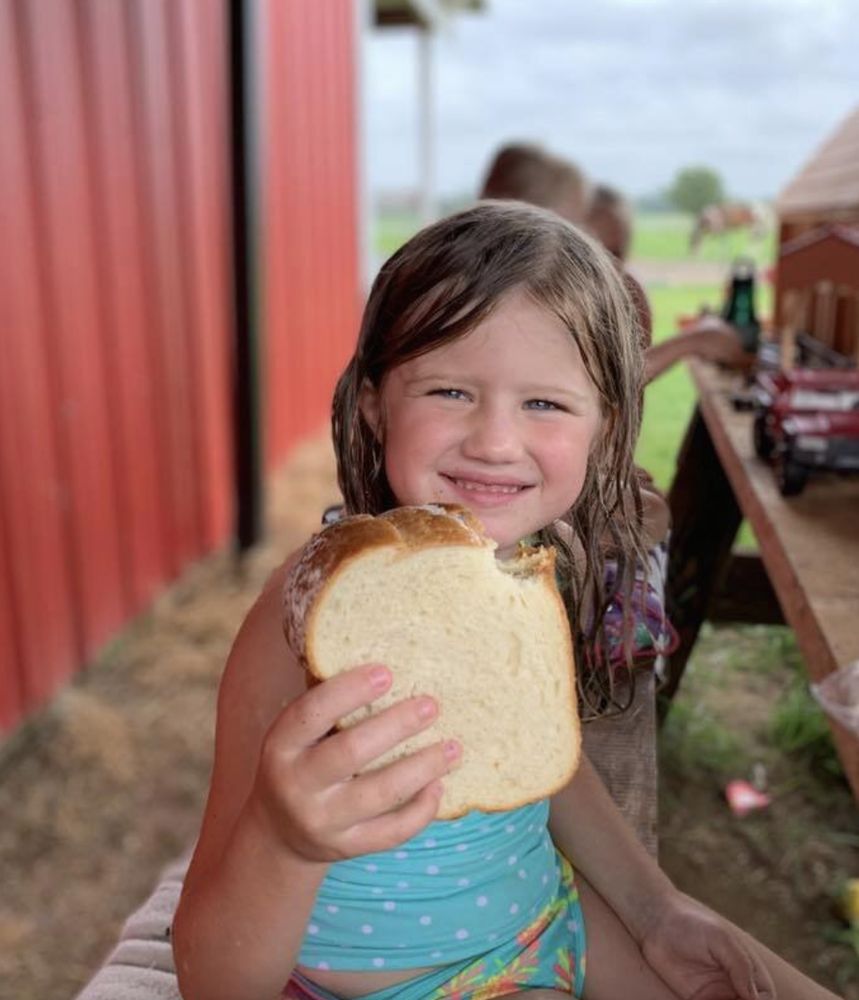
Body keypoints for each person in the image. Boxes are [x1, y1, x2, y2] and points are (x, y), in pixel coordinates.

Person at [172, 203, 841, 1000]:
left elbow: (538, 759)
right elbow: (211, 978)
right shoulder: (307, 619)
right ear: (374, 402)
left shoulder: (521, 570)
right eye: (449, 390)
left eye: (544, 403)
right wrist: (283, 843)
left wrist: (657, 908)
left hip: (552, 927)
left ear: (605, 426)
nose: (493, 441)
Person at [583, 183, 751, 383]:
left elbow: (632, 391)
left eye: (617, 253)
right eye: (595, 254)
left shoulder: (631, 293)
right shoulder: (555, 304)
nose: (610, 267)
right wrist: (692, 341)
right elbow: (603, 386)